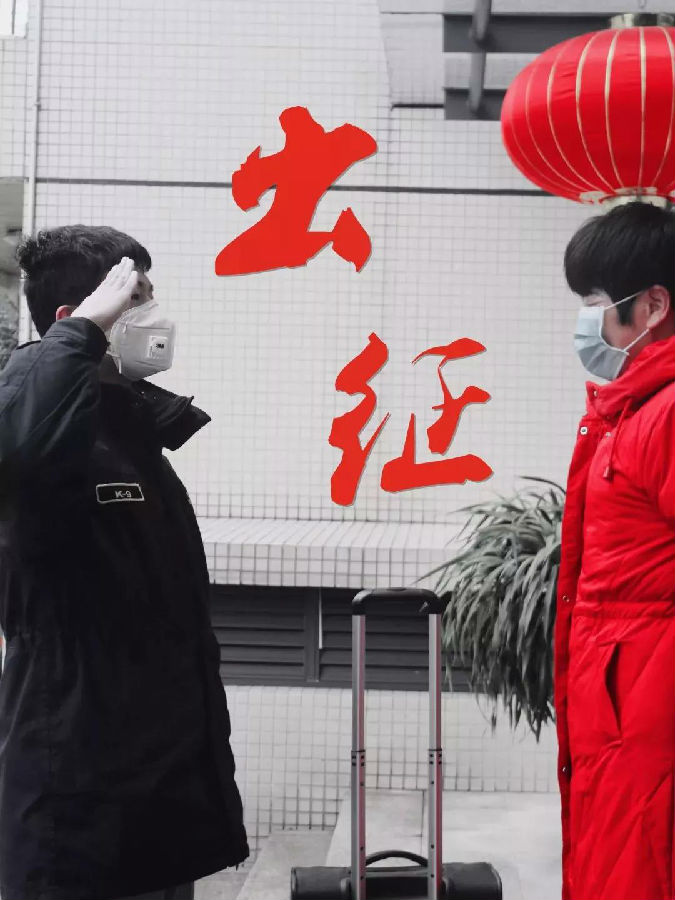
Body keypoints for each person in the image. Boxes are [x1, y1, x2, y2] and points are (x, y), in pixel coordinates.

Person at [0, 226, 249, 900]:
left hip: (155, 793)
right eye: (133, 300)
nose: (153, 316)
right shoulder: (39, 418)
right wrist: (80, 334)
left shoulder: (124, 428)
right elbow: (16, 446)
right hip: (75, 795)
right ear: (75, 319)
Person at [554, 201, 675, 900]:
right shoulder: (633, 410)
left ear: (653, 306)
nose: (584, 320)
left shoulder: (665, 414)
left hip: (647, 725)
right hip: (623, 722)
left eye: (595, 302)